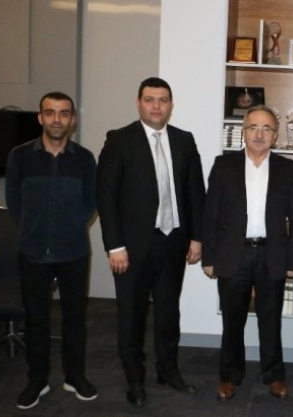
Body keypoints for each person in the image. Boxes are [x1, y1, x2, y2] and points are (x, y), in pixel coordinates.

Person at [96, 77, 205, 406]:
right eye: (149, 99)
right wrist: (114, 246)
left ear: (171, 105)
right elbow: (106, 195)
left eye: (163, 100)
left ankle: (167, 370)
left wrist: (197, 237)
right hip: (131, 248)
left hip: (174, 243)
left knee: (169, 313)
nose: (156, 106)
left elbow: (195, 192)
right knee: (131, 316)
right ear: (138, 103)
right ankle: (135, 380)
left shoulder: (184, 140)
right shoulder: (119, 140)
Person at [201, 106, 293, 401]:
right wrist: (209, 257)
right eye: (253, 128)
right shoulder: (224, 165)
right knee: (232, 321)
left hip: (272, 255)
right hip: (233, 255)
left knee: (270, 321)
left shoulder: (286, 169)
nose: (259, 134)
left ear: (275, 135)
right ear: (243, 132)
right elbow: (210, 214)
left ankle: (274, 375)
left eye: (266, 129)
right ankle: (230, 376)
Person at [5, 92, 97, 410]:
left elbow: (89, 204)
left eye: (64, 113)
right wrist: (36, 228)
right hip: (32, 252)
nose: (57, 119)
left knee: (75, 320)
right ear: (40, 117)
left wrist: (66, 227)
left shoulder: (84, 159)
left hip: (74, 251)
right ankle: (38, 380)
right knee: (36, 321)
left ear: (72, 120)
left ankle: (75, 376)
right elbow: (15, 202)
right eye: (50, 112)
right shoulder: (20, 156)